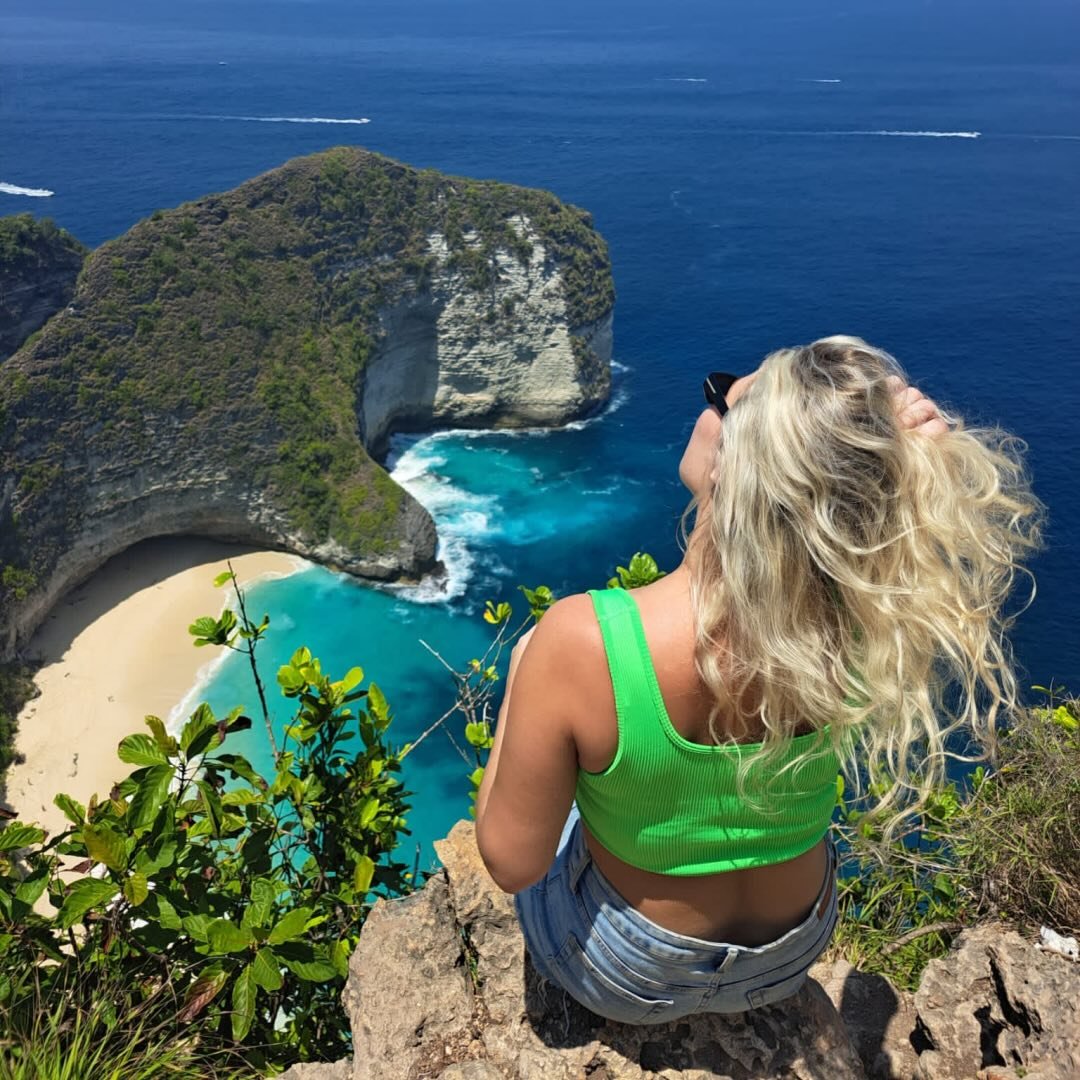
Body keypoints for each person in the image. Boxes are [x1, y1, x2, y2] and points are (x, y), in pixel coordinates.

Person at [474, 335, 1042, 1024]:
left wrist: (525, 666)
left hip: (628, 973)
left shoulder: (585, 639)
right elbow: (867, 500)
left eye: (724, 396)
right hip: (788, 955)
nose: (710, 398)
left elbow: (512, 864)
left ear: (732, 461)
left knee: (565, 792)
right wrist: (886, 451)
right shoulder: (867, 624)